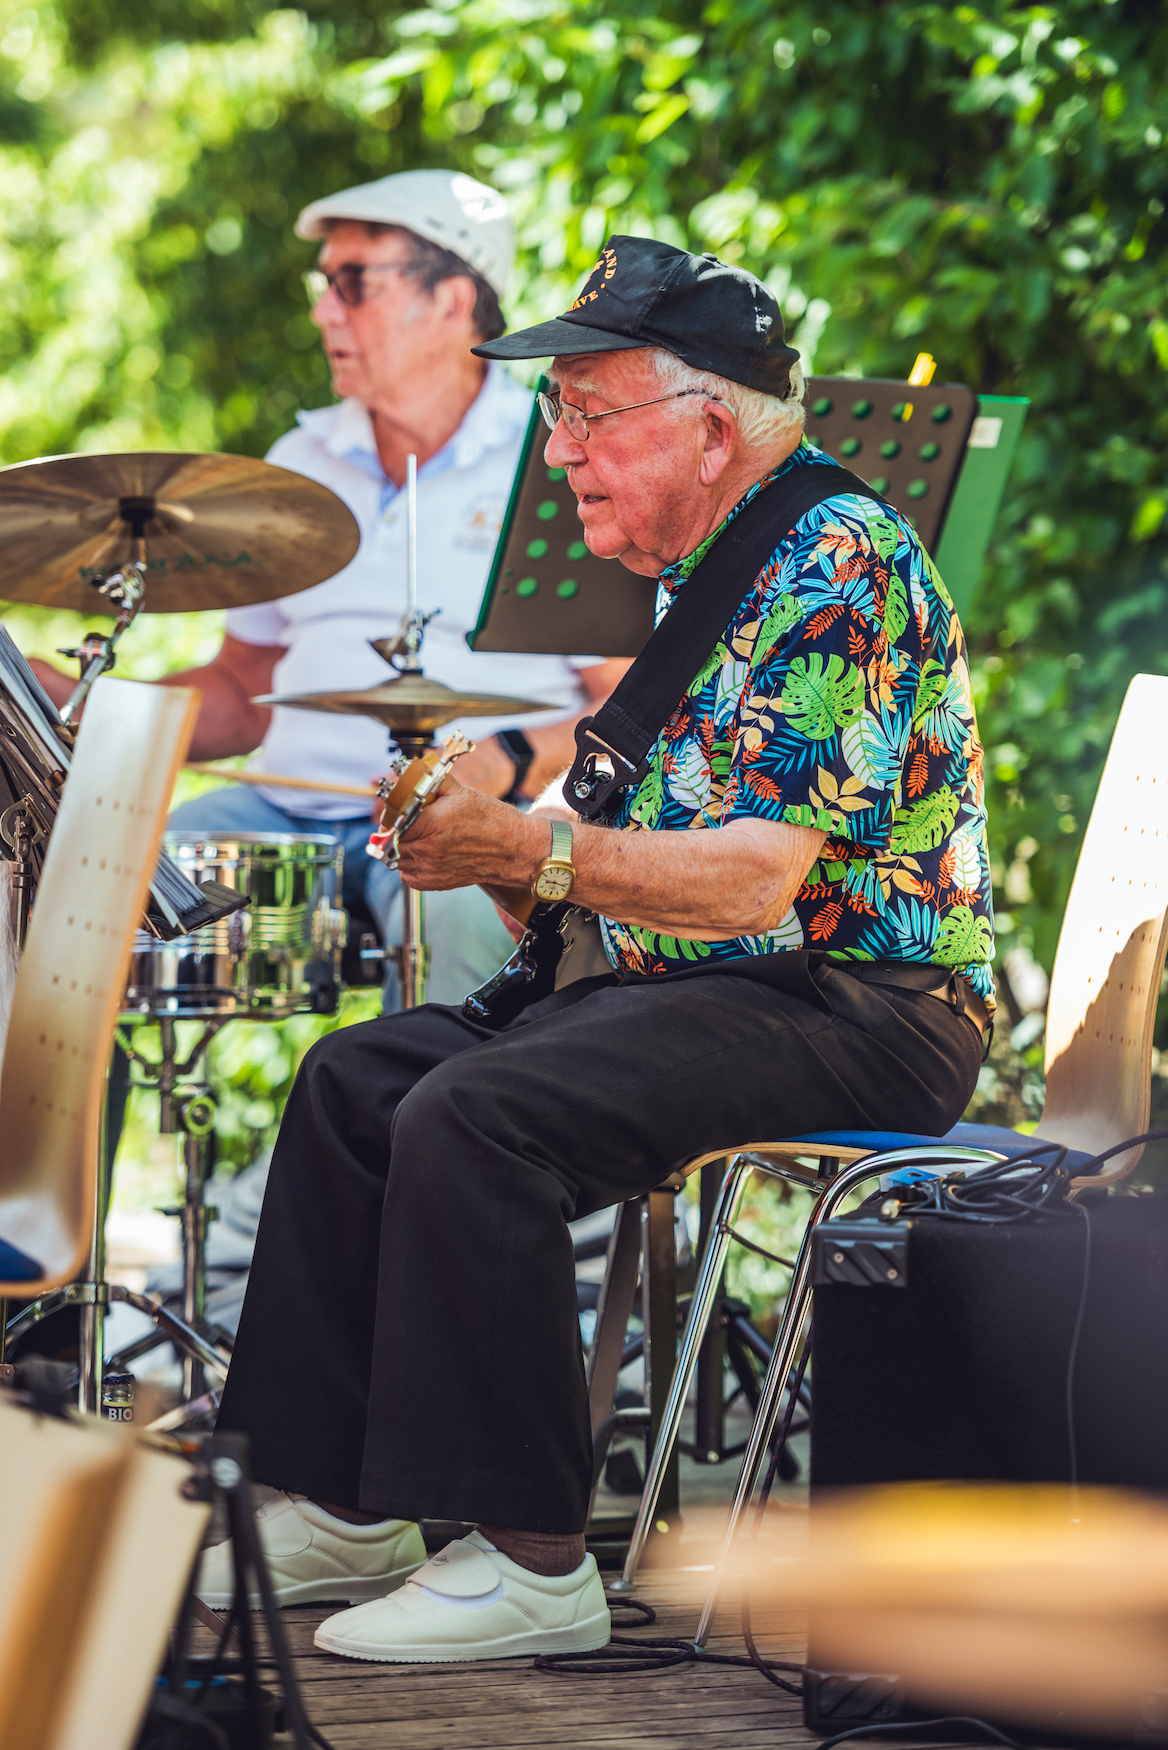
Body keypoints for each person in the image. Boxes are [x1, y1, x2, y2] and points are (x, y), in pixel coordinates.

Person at [202, 235, 996, 1663]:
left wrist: (527, 845)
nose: (556, 447)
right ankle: (345, 1500)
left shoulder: (837, 552)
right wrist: (503, 861)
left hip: (864, 999)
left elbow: (760, 882)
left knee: (479, 1110)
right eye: (556, 412)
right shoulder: (717, 563)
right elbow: (632, 867)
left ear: (708, 421)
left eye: (587, 411)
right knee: (355, 1082)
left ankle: (531, 1561)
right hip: (718, 977)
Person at [30, 169, 628, 1007]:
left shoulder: (557, 455)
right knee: (91, 895)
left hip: (478, 820)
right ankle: (54, 1142)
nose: (323, 309)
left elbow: (627, 704)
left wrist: (517, 757)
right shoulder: (301, 460)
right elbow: (244, 687)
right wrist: (90, 707)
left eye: (353, 282)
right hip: (287, 818)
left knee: (457, 921)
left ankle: (419, 1136)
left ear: (454, 299)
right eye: (325, 284)